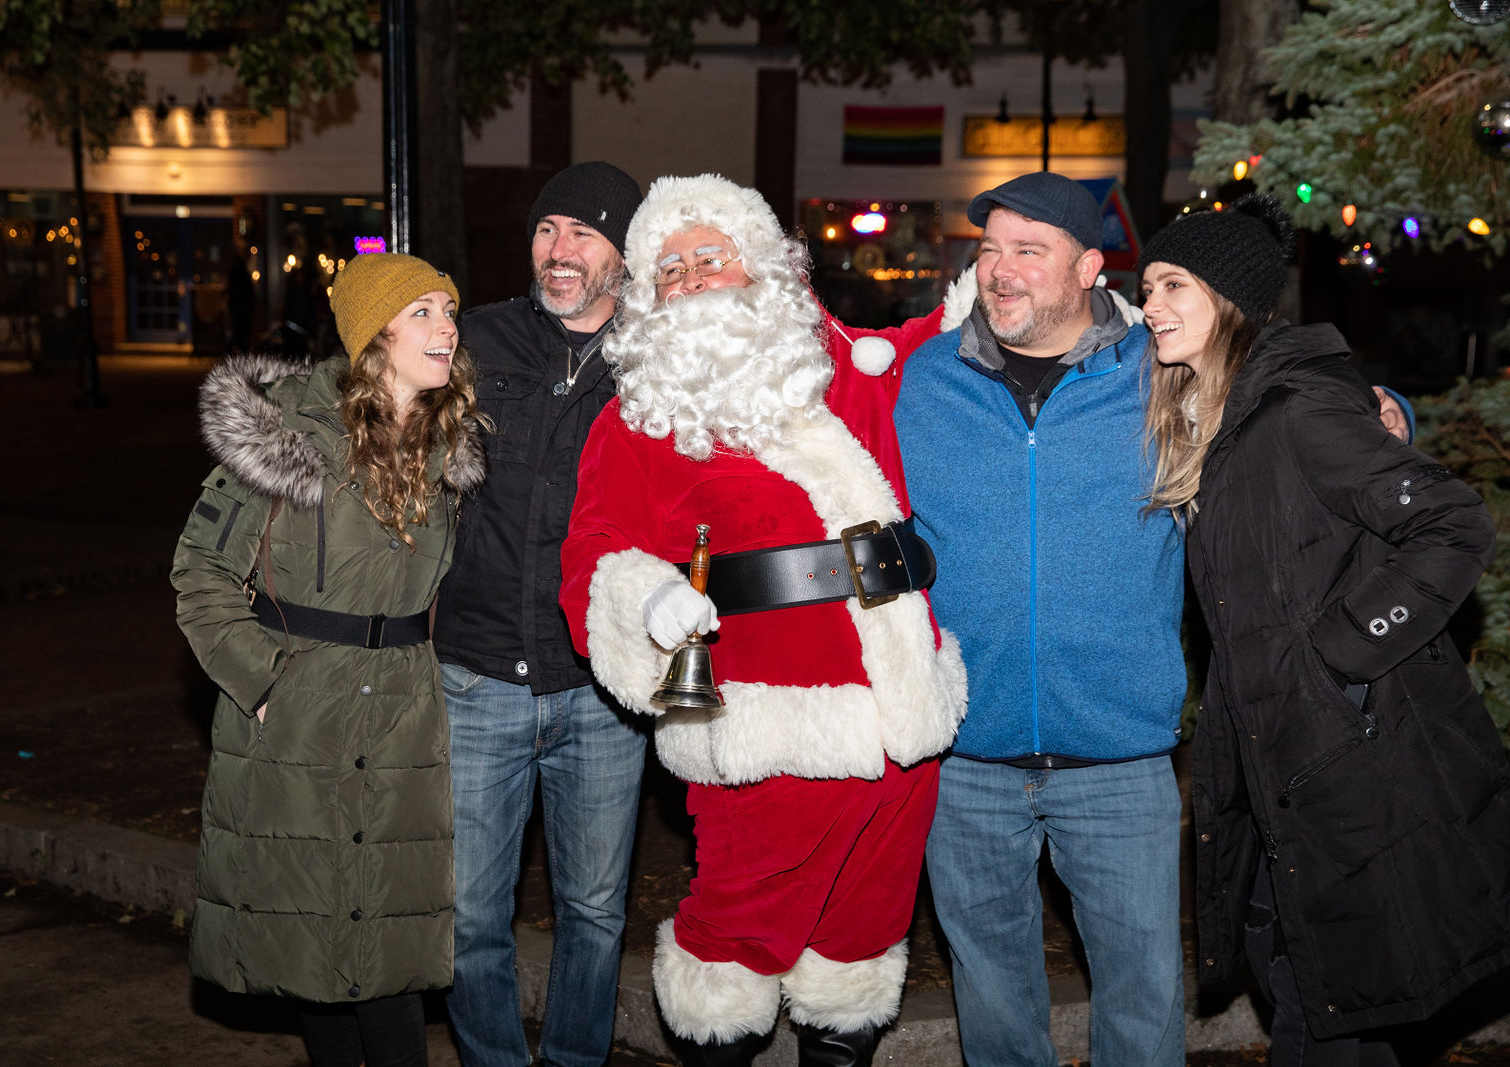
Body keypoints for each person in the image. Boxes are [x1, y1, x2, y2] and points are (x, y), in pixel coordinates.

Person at [559, 173, 967, 1066]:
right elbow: (592, 547)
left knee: (862, 935)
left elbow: (945, 338)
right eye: (670, 270)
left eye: (710, 256)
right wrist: (645, 595)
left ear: (764, 267)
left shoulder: (841, 366)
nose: (691, 279)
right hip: (763, 729)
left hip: (902, 714)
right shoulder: (638, 418)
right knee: (734, 939)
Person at [1139, 195, 1510, 1064]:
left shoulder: (1295, 413)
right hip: (1279, 762)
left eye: (1172, 284)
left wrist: (1342, 650)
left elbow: (1454, 523)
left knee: (1335, 1007)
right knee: (1304, 978)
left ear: (1229, 298)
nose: (1150, 304)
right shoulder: (1218, 421)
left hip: (1350, 763)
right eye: (1147, 285)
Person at [895, 171, 1191, 1067]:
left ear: (1090, 268)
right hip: (967, 754)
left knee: (1142, 1001)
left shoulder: (1161, 375)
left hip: (1119, 754)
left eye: (1030, 251)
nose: (1001, 270)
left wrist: (1386, 413)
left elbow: (1282, 422)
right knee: (992, 1000)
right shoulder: (928, 378)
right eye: (991, 250)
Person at [172, 252, 485, 1067]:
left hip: (405, 718)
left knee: (388, 950)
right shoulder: (290, 439)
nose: (447, 327)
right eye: (422, 312)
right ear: (373, 334)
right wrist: (267, 683)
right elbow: (200, 571)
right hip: (301, 717)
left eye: (449, 311)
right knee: (318, 950)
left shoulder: (447, 449)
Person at [430, 160, 648, 1067]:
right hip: (476, 674)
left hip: (602, 687)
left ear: (623, 254)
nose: (559, 249)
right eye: (547, 230)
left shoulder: (659, 358)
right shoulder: (472, 341)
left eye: (583, 233)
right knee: (470, 913)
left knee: (594, 911)